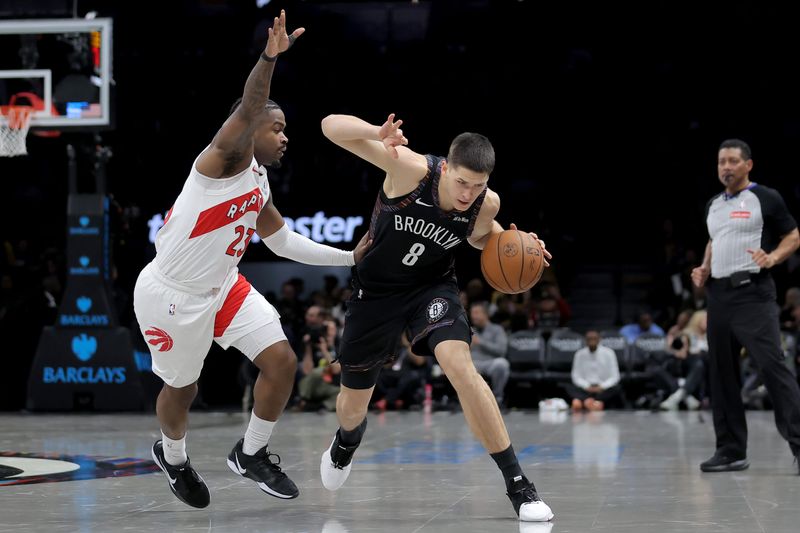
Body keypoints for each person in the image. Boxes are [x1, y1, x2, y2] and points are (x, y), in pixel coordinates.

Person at [133, 11, 370, 508]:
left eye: (286, 130)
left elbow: (282, 242)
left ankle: (251, 452)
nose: (285, 137)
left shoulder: (258, 180)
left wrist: (349, 256)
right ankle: (173, 457)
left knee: (282, 361)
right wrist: (269, 58)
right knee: (183, 390)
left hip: (222, 286)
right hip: (171, 295)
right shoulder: (219, 162)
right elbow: (251, 103)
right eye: (277, 128)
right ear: (251, 131)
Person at [316, 112, 554, 522]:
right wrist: (377, 133)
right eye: (461, 182)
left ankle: (518, 484)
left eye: (477, 186)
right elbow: (328, 126)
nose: (467, 194)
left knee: (462, 369)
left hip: (431, 288)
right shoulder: (409, 169)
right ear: (445, 166)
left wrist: (517, 243)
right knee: (353, 405)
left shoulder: (486, 202)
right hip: (374, 294)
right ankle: (347, 440)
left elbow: (483, 236)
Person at [691, 138, 800, 473]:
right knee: (721, 374)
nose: (726, 166)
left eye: (733, 161)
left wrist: (773, 257)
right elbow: (715, 239)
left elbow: (793, 236)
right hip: (719, 296)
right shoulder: (713, 203)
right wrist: (705, 266)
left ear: (748, 164)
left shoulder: (765, 197)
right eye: (721, 161)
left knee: (772, 367)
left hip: (754, 293)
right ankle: (731, 450)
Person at [565, 330, 623, 411]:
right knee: (568, 387)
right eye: (589, 339)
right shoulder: (579, 354)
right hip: (586, 389)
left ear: (599, 339)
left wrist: (602, 387)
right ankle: (594, 403)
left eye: (594, 338)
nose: (592, 341)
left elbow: (615, 376)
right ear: (585, 340)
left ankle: (585, 401)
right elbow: (576, 376)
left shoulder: (609, 353)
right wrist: (587, 386)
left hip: (603, 389)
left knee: (617, 389)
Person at [469, 301, 510, 406]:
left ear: (486, 314)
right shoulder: (469, 330)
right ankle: (468, 400)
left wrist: (480, 342)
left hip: (490, 363)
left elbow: (501, 351)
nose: (474, 316)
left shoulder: (497, 329)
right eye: (472, 313)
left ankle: (497, 398)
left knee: (502, 364)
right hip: (473, 364)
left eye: (477, 313)